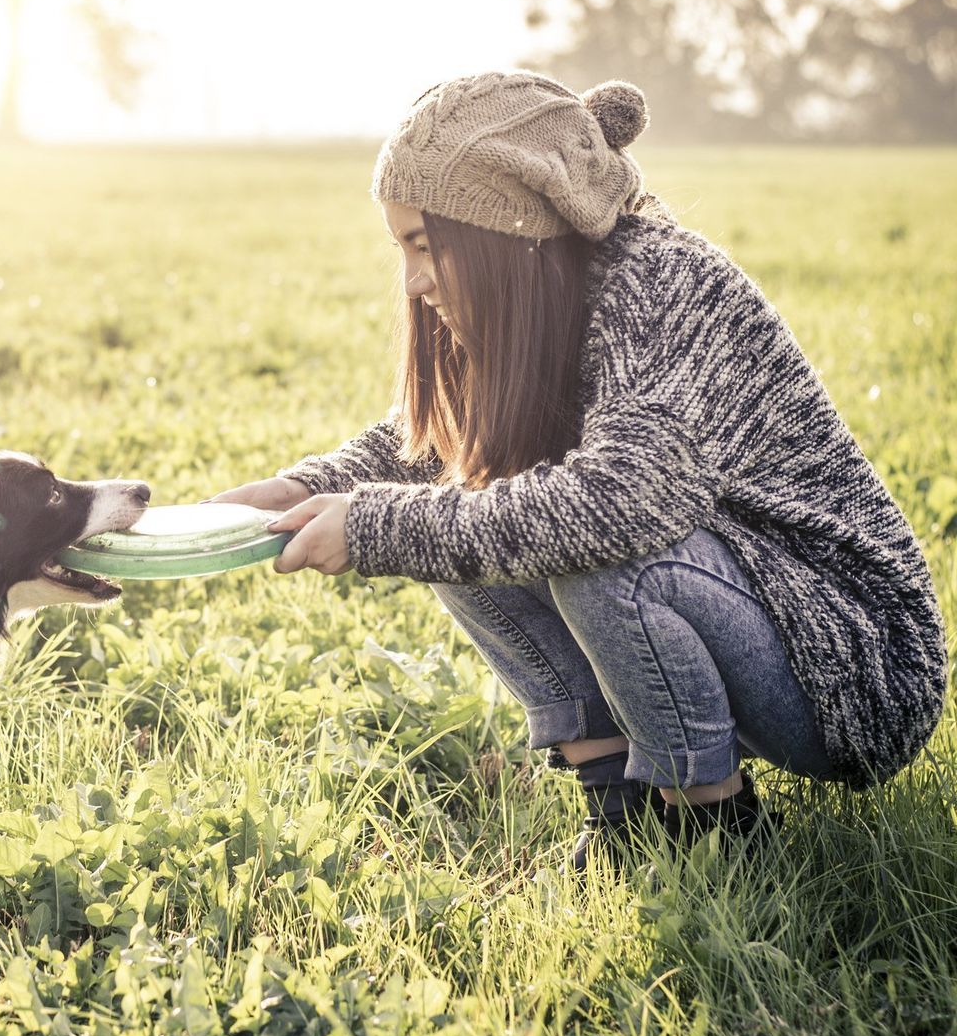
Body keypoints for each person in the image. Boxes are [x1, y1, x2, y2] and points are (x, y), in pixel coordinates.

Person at [213, 71, 947, 868]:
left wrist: (379, 525)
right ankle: (621, 809)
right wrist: (313, 488)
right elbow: (435, 446)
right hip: (745, 601)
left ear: (504, 233)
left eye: (426, 246)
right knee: (456, 512)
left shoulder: (664, 285)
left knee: (594, 563)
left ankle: (716, 831)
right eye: (403, 250)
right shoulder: (542, 290)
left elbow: (618, 505)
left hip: (851, 657)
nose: (416, 282)